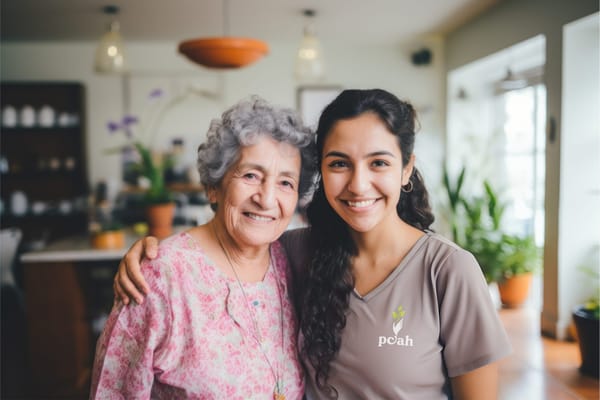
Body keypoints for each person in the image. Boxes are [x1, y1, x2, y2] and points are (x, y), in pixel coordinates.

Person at [115, 89, 511, 399]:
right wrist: (154, 254)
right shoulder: (297, 252)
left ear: (406, 168)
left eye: (379, 163)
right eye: (339, 163)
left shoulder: (449, 271)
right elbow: (229, 242)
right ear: (321, 172)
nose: (358, 184)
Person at [90, 95, 317, 399]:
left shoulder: (291, 257)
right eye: (251, 175)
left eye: (286, 183)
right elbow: (113, 391)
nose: (266, 198)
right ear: (214, 186)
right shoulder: (160, 277)